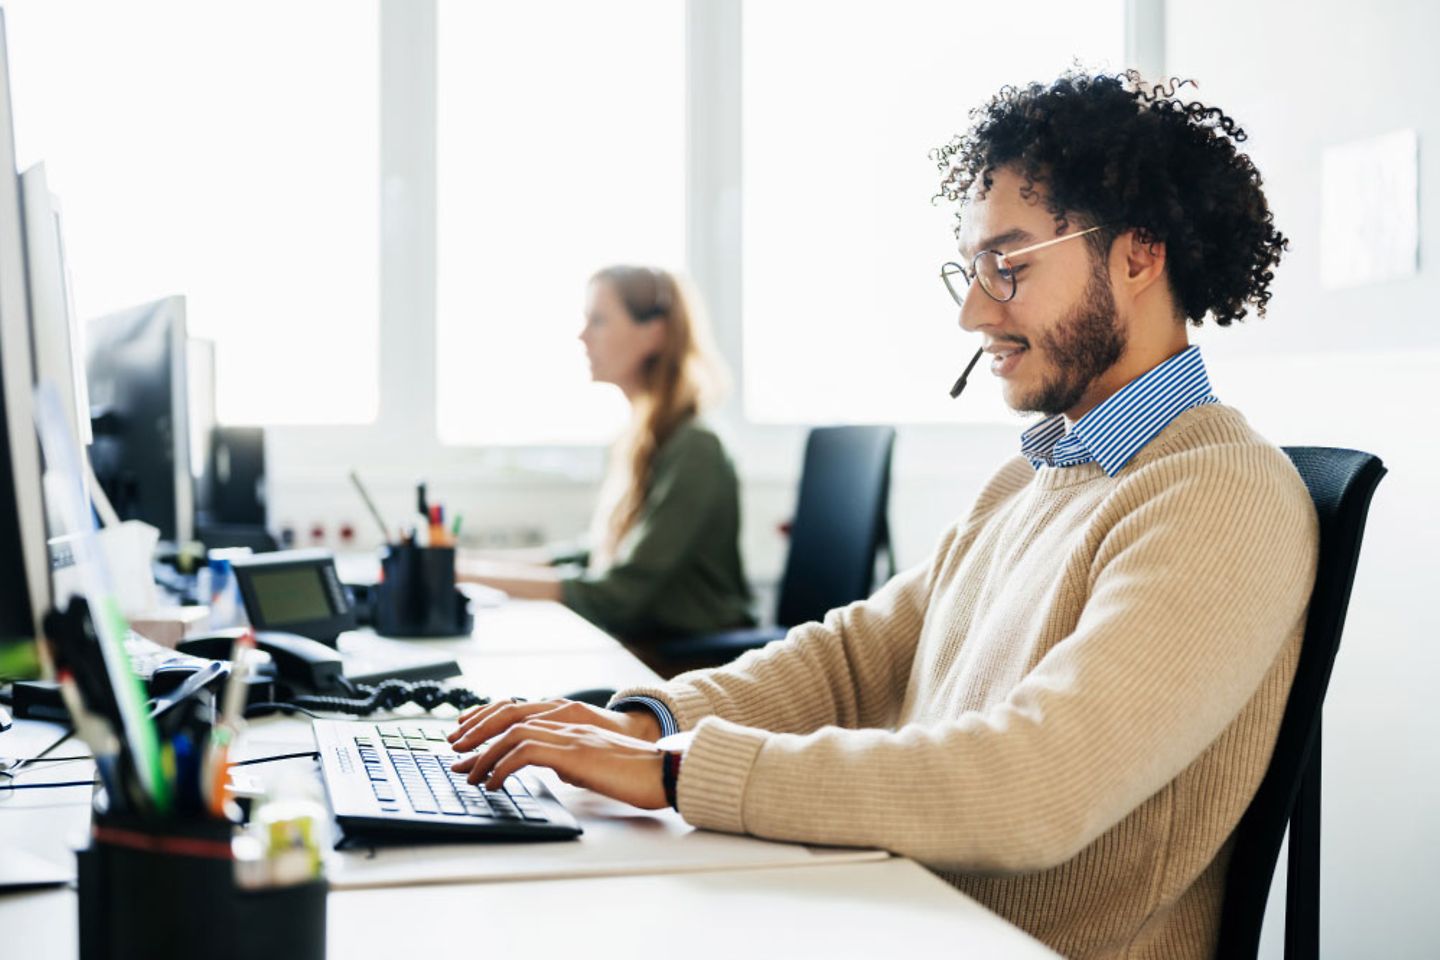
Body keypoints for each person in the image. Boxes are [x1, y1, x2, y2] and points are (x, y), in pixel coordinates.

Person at [446, 70, 1316, 960]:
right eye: (971, 271)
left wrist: (677, 774)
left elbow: (1032, 786)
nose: (975, 310)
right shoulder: (1032, 480)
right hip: (903, 911)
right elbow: (853, 662)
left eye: (1007, 266)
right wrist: (646, 724)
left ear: (1138, 254)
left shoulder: (1221, 495)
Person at [460, 265, 755, 646]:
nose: (583, 336)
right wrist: (472, 565)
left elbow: (618, 595)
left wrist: (468, 574)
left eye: (598, 321)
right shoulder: (642, 437)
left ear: (655, 332)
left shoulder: (696, 446)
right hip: (649, 643)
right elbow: (598, 552)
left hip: (689, 658)